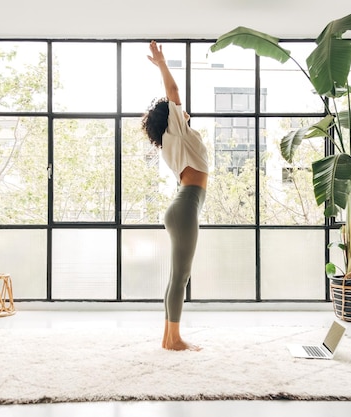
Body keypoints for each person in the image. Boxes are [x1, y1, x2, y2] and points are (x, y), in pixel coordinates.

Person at [142, 41, 209, 351]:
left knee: (177, 275)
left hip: (184, 205)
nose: (181, 108)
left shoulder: (174, 138)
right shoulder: (178, 129)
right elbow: (174, 91)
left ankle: (169, 337)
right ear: (169, 116)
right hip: (185, 207)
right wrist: (162, 65)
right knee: (181, 276)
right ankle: (175, 339)